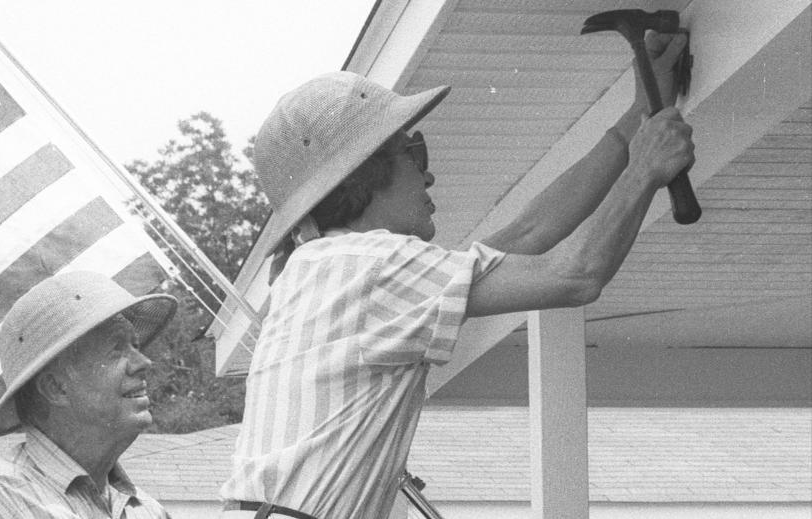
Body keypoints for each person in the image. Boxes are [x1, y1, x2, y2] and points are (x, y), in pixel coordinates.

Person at [219, 32, 694, 519]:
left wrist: (638, 120)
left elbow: (527, 234)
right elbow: (576, 275)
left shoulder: (330, 267)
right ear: (362, 175)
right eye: (414, 153)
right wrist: (645, 170)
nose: (427, 176)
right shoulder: (368, 265)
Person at [0, 270, 178, 519]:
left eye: (135, 346)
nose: (143, 362)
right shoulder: (0, 491)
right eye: (117, 348)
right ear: (56, 387)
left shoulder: (147, 509)